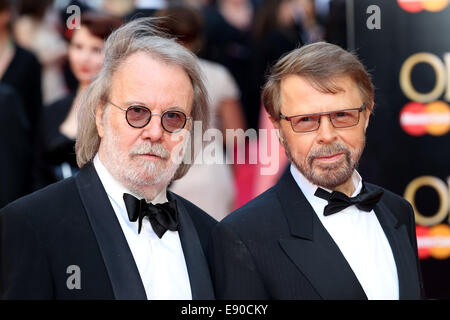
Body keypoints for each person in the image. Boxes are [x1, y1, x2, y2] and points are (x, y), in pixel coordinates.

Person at [0, 17, 215, 300]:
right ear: (101, 116)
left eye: (173, 117)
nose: (154, 132)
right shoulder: (32, 224)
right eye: (137, 112)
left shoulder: (211, 236)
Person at [209, 42, 424, 300]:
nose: (327, 135)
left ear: (366, 115)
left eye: (342, 115)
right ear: (278, 128)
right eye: (306, 120)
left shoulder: (398, 212)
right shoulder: (242, 235)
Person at [155, 5, 246, 220]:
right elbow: (237, 137)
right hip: (210, 173)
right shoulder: (218, 74)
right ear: (198, 37)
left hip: (161, 173)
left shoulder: (150, 77)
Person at [35, 12, 123, 188]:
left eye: (96, 49)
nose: (84, 58)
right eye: (78, 46)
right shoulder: (53, 110)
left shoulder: (122, 112)